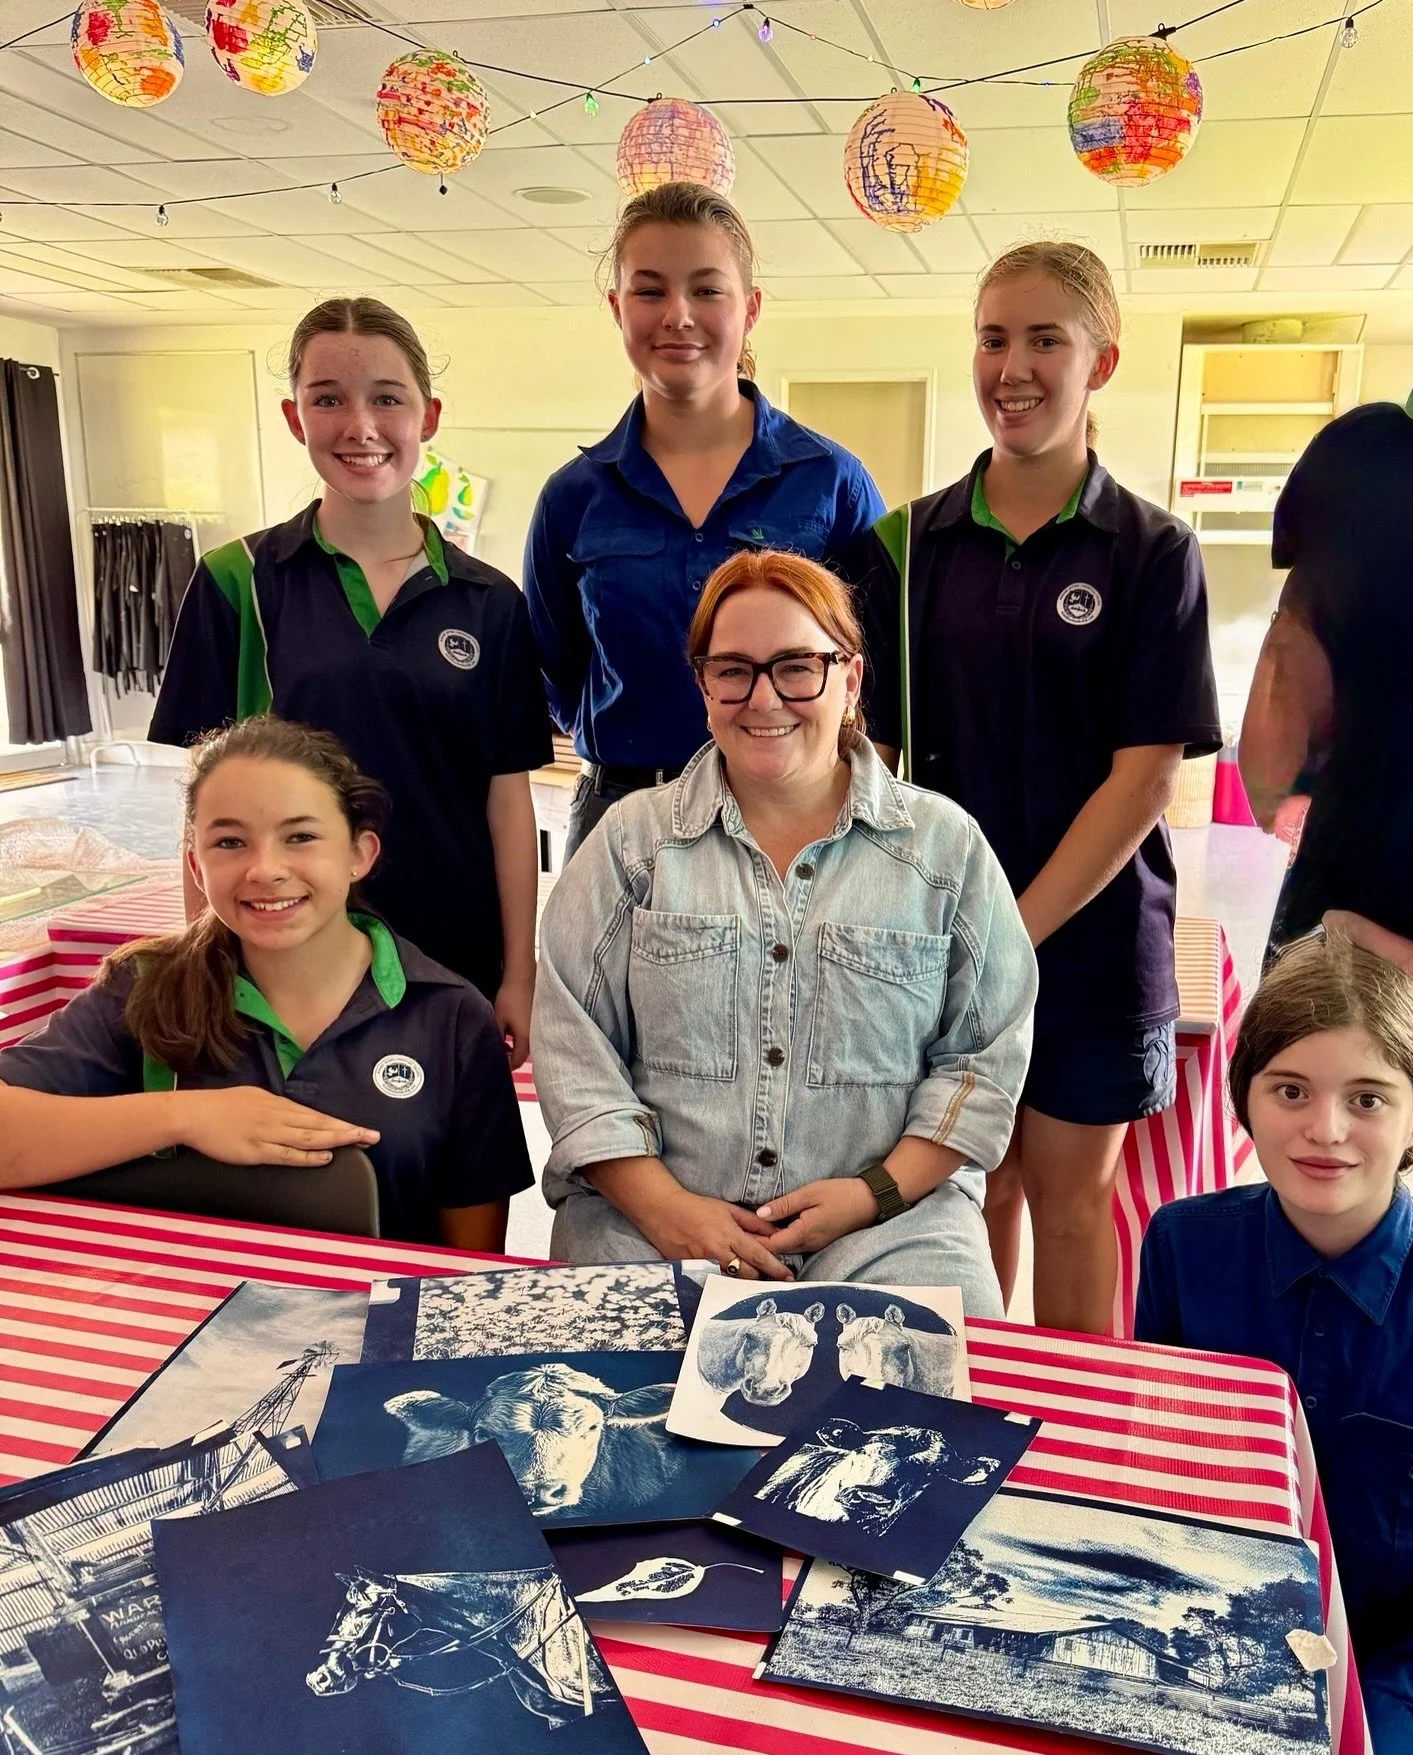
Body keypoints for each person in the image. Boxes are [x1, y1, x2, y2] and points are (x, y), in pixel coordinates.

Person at [852, 241, 1221, 1335]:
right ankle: (977, 1432)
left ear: (1099, 361)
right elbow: (866, 747)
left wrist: (1010, 931)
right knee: (968, 1193)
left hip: (1094, 943)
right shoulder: (902, 545)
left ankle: (1073, 1468)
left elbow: (1145, 773)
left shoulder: (1152, 552)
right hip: (933, 938)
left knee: (1068, 1203)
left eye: (1043, 339)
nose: (1011, 367)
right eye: (992, 338)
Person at [531, 549, 1037, 1310]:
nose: (764, 699)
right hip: (647, 1226)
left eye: (798, 666)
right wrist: (670, 1214)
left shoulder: (945, 848)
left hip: (891, 1230)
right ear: (702, 685)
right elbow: (575, 1052)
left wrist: (871, 1196)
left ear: (851, 679)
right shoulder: (631, 844)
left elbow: (983, 1060)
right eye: (732, 669)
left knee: (921, 1422)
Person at [149, 297, 553, 1063]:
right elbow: (201, 810)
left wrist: (518, 971)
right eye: (327, 399)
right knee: (304, 1171)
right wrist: (203, 956)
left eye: (386, 399)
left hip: (450, 953)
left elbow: (508, 804)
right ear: (294, 417)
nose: (359, 426)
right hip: (284, 950)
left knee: (452, 1173)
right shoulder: (237, 584)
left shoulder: (491, 601)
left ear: (428, 416)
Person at [0, 717, 533, 1250]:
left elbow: (471, 1267)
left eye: (300, 837)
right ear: (195, 865)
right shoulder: (143, 988)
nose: (265, 869)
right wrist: (184, 1116)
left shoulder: (450, 1017)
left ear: (359, 855)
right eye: (230, 842)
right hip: (178, 1315)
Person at [1133, 931, 1413, 1755]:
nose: (1325, 1130)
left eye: (1367, 1099)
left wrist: (1362, 1746)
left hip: (1398, 1685)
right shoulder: (1182, 1246)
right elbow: (1160, 1481)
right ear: (1242, 1100)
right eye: (1290, 1090)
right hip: (1210, 1651)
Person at [524, 181, 884, 860]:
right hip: (620, 823)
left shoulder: (831, 482)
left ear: (749, 309)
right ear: (617, 307)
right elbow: (558, 675)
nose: (678, 316)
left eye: (707, 290)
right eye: (650, 290)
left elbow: (874, 674)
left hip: (789, 824)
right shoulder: (572, 498)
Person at [1240, 359, 1413, 958]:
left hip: (1353, 901)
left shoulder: (1364, 457)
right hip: (1358, 908)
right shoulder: (1368, 459)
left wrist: (1284, 795)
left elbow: (1291, 667)